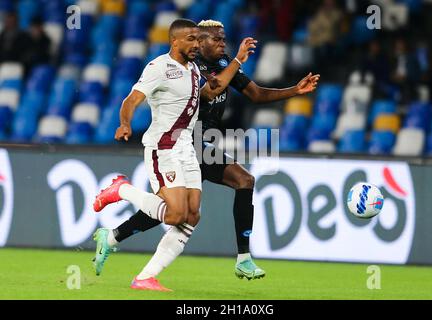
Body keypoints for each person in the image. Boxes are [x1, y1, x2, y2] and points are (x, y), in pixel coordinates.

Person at [94, 19, 319, 281]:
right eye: (216, 39)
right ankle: (122, 230)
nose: (222, 43)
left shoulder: (221, 65)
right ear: (199, 42)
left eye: (224, 38)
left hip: (200, 143)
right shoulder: (191, 67)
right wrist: (238, 61)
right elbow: (210, 92)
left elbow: (256, 94)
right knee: (181, 212)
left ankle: (116, 241)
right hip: (182, 142)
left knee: (189, 211)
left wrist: (294, 90)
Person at [92, 18, 257, 291]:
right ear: (175, 41)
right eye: (191, 39)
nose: (196, 44)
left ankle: (145, 277)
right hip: (163, 148)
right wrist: (125, 123)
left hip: (187, 150)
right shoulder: (158, 67)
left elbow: (212, 90)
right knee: (174, 214)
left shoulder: (193, 69)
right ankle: (121, 190)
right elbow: (131, 99)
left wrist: (237, 61)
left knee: (192, 215)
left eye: (197, 39)